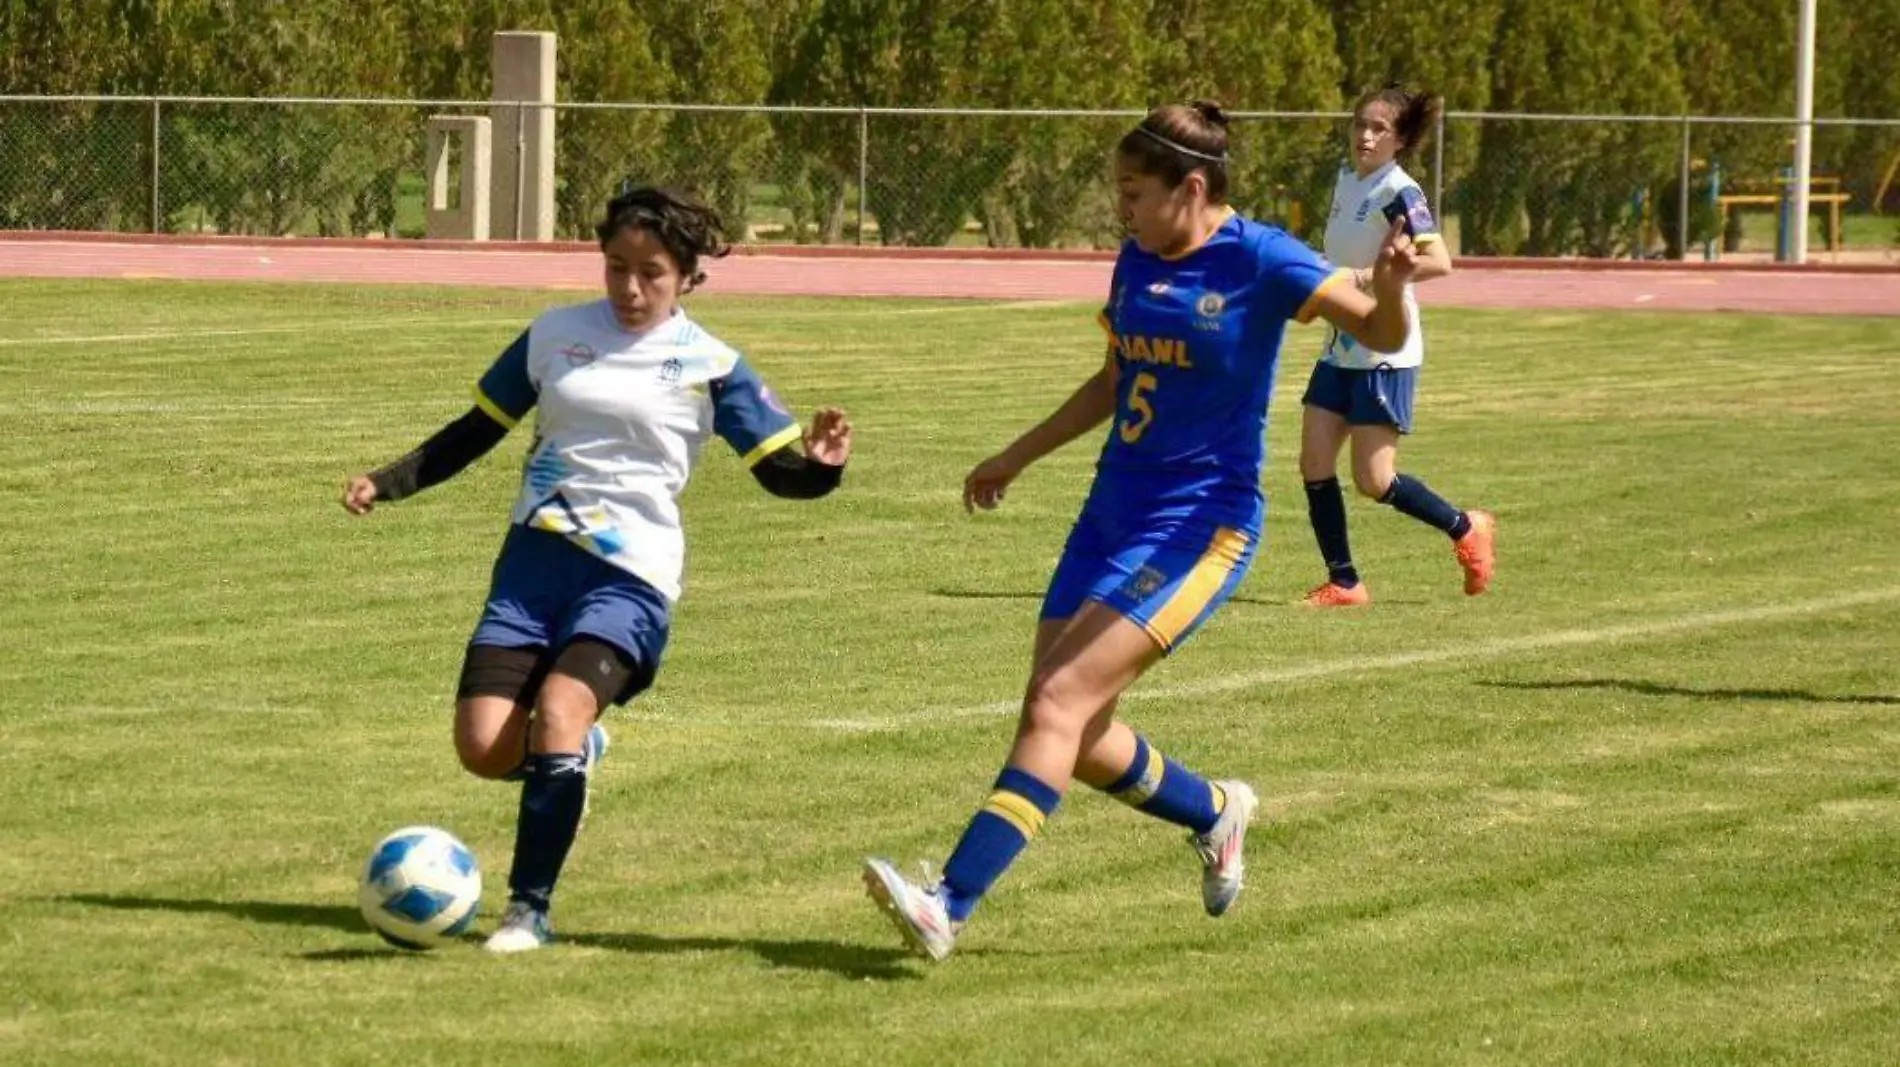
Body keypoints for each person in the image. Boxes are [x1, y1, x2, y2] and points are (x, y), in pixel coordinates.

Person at [861, 101, 1419, 961]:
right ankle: (1215, 810)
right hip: (1109, 511)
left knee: (1055, 703)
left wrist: (1394, 286)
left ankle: (950, 901)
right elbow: (1115, 378)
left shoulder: (1263, 257)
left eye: (1132, 192)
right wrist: (1016, 455)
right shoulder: (1136, 258)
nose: (1121, 208)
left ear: (1191, 188)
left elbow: (1380, 330)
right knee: (1073, 732)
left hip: (1200, 525)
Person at [341, 185, 853, 953]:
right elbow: (476, 430)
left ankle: (527, 911)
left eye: (650, 272)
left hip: (631, 577)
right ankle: (570, 763)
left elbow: (779, 471)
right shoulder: (554, 334)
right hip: (530, 568)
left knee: (559, 707)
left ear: (685, 275)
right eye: (616, 267)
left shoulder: (710, 364)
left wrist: (820, 466)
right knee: (482, 747)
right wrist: (389, 479)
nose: (630, 288)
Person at [1298, 83, 1495, 607]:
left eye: (1378, 128)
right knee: (1313, 462)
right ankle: (1345, 582)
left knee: (1373, 479)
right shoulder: (1347, 179)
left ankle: (1465, 526)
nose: (1364, 135)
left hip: (1384, 350)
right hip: (1340, 342)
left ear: (1400, 139)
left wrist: (1364, 277)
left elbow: (1439, 261)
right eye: (1360, 123)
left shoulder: (1399, 191)